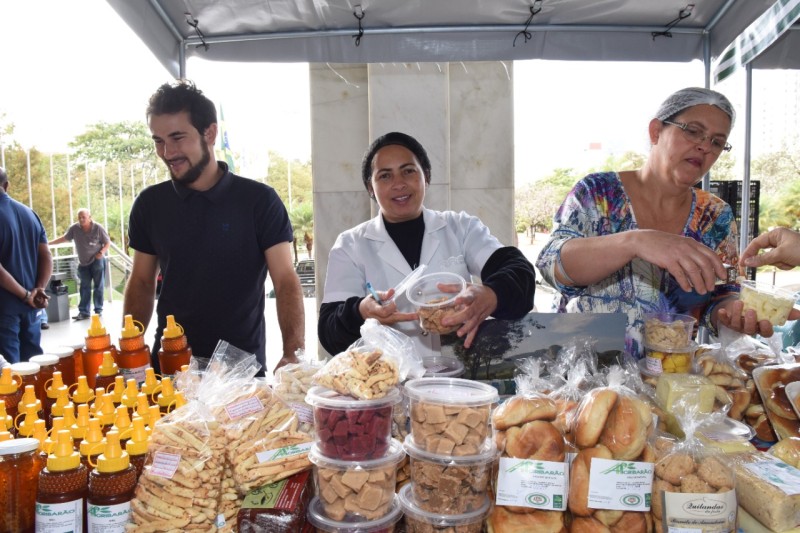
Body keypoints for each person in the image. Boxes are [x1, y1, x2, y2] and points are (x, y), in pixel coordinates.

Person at [536, 87, 774, 359]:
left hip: (667, 378)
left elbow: (722, 294)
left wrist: (733, 313)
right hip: (584, 375)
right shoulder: (599, 194)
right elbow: (550, 265)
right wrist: (636, 241)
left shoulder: (714, 216)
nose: (705, 147)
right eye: (693, 131)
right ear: (656, 131)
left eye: (717, 142)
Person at [123, 80, 304, 375]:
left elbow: (285, 280)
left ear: (210, 132)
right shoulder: (149, 204)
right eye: (158, 140)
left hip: (241, 372)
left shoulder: (259, 201)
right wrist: (132, 349)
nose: (167, 152)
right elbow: (142, 282)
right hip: (171, 366)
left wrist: (292, 352)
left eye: (177, 137)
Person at [318, 131, 536, 358]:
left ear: (427, 176)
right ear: (370, 188)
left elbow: (520, 273)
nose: (399, 184)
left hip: (457, 383)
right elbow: (329, 332)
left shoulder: (461, 227)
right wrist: (360, 311)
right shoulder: (350, 245)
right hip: (384, 386)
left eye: (408, 171)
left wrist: (491, 295)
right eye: (385, 176)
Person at [0, 166, 52, 363]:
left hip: (4, 308)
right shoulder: (30, 213)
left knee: (8, 374)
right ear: (7, 185)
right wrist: (38, 289)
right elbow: (46, 254)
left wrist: (24, 294)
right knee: (32, 367)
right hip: (31, 308)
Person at [49, 208, 110, 320]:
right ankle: (84, 312)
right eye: (79, 217)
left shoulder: (98, 228)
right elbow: (65, 238)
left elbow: (107, 242)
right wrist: (48, 243)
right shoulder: (74, 228)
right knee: (84, 287)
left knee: (98, 286)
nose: (81, 219)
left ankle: (98, 310)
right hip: (83, 263)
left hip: (97, 261)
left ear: (89, 217)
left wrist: (101, 252)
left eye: (84, 217)